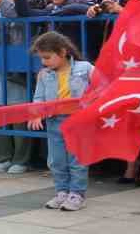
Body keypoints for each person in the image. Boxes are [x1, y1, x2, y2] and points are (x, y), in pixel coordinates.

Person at [27, 31, 94, 211]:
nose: (44, 62)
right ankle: (61, 191)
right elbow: (39, 97)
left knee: (76, 159)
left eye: (47, 57)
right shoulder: (44, 74)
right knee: (56, 160)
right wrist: (36, 113)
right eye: (41, 58)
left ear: (63, 52)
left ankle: (77, 193)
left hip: (78, 120)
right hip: (54, 121)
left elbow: (99, 89)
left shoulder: (85, 68)